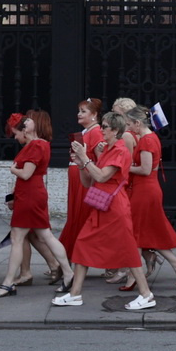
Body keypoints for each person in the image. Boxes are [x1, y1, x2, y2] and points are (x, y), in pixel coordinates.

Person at [54, 111, 157, 310]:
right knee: (83, 244)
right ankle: (75, 294)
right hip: (103, 205)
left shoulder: (119, 150)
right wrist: (81, 163)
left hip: (114, 206)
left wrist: (85, 158)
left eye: (105, 127)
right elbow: (89, 180)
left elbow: (101, 177)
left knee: (128, 250)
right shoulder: (108, 149)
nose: (101, 130)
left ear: (115, 130)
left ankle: (146, 294)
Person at [0, 110, 68, 296]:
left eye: (16, 133)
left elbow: (26, 174)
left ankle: (8, 282)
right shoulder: (40, 144)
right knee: (45, 235)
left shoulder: (35, 146)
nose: (16, 138)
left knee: (19, 237)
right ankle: (68, 273)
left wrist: (12, 170)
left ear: (24, 131)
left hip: (30, 195)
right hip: (32, 194)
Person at [124, 102, 176, 286]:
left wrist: (125, 167)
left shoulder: (146, 140)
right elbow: (153, 167)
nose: (128, 128)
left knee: (135, 233)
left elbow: (145, 169)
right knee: (146, 232)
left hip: (144, 190)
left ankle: (133, 276)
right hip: (149, 188)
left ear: (137, 123)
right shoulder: (152, 138)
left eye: (129, 123)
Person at [59, 98, 104, 266]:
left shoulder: (96, 132)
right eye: (79, 111)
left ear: (94, 115)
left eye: (83, 111)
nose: (79, 114)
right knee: (76, 217)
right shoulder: (86, 132)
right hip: (79, 177)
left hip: (85, 179)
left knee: (82, 218)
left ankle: (73, 256)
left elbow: (100, 160)